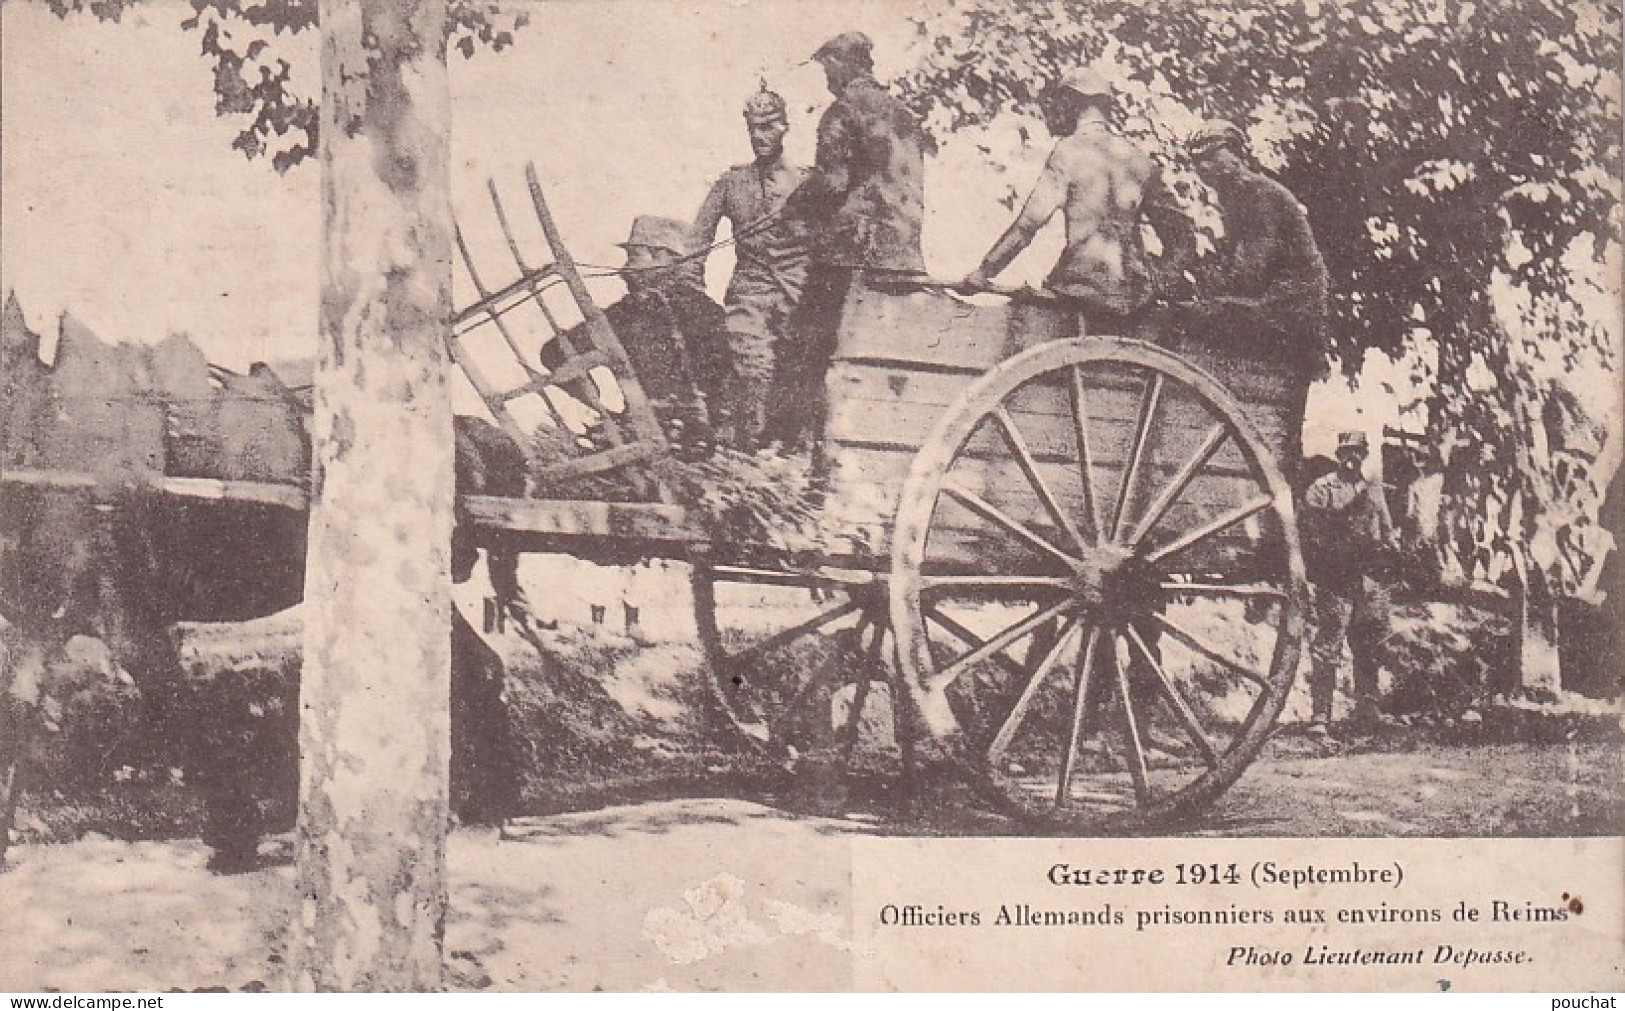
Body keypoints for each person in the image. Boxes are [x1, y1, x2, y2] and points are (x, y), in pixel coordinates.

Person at [774, 30, 930, 450]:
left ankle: (791, 450)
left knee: (803, 346)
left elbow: (833, 181)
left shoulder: (842, 111)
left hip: (851, 255)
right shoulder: (903, 114)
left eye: (827, 67)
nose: (825, 78)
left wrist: (794, 204)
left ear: (842, 65)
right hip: (902, 257)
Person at [963, 68, 1182, 332]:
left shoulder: (1068, 152)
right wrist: (1155, 282)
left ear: (1071, 102)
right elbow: (1183, 239)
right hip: (1131, 299)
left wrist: (984, 272)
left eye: (1060, 103)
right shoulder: (1139, 160)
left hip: (1079, 291)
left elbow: (1028, 225)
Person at [1183, 119, 1329, 462]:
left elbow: (1250, 270)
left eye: (1208, 157)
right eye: (1196, 160)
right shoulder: (1237, 198)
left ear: (1234, 156)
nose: (1201, 167)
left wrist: (1206, 293)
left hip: (1287, 310)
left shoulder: (1259, 195)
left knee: (1191, 317)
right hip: (1272, 304)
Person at [692, 86, 811, 451]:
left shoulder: (809, 182)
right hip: (751, 290)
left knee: (800, 377)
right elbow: (699, 239)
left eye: (769, 126)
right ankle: (750, 450)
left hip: (799, 292)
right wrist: (692, 287)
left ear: (785, 127)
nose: (761, 136)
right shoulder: (731, 183)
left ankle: (793, 450)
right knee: (750, 364)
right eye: (754, 128)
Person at [1302, 430, 1397, 737]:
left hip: (1368, 581)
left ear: (1364, 455)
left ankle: (1367, 714)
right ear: (1338, 454)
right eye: (1347, 452)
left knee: (1368, 646)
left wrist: (1384, 560)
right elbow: (1312, 535)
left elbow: (1386, 532)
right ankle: (1320, 716)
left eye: (1358, 452)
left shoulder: (1373, 491)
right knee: (1328, 647)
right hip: (1336, 578)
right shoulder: (1321, 489)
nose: (1352, 458)